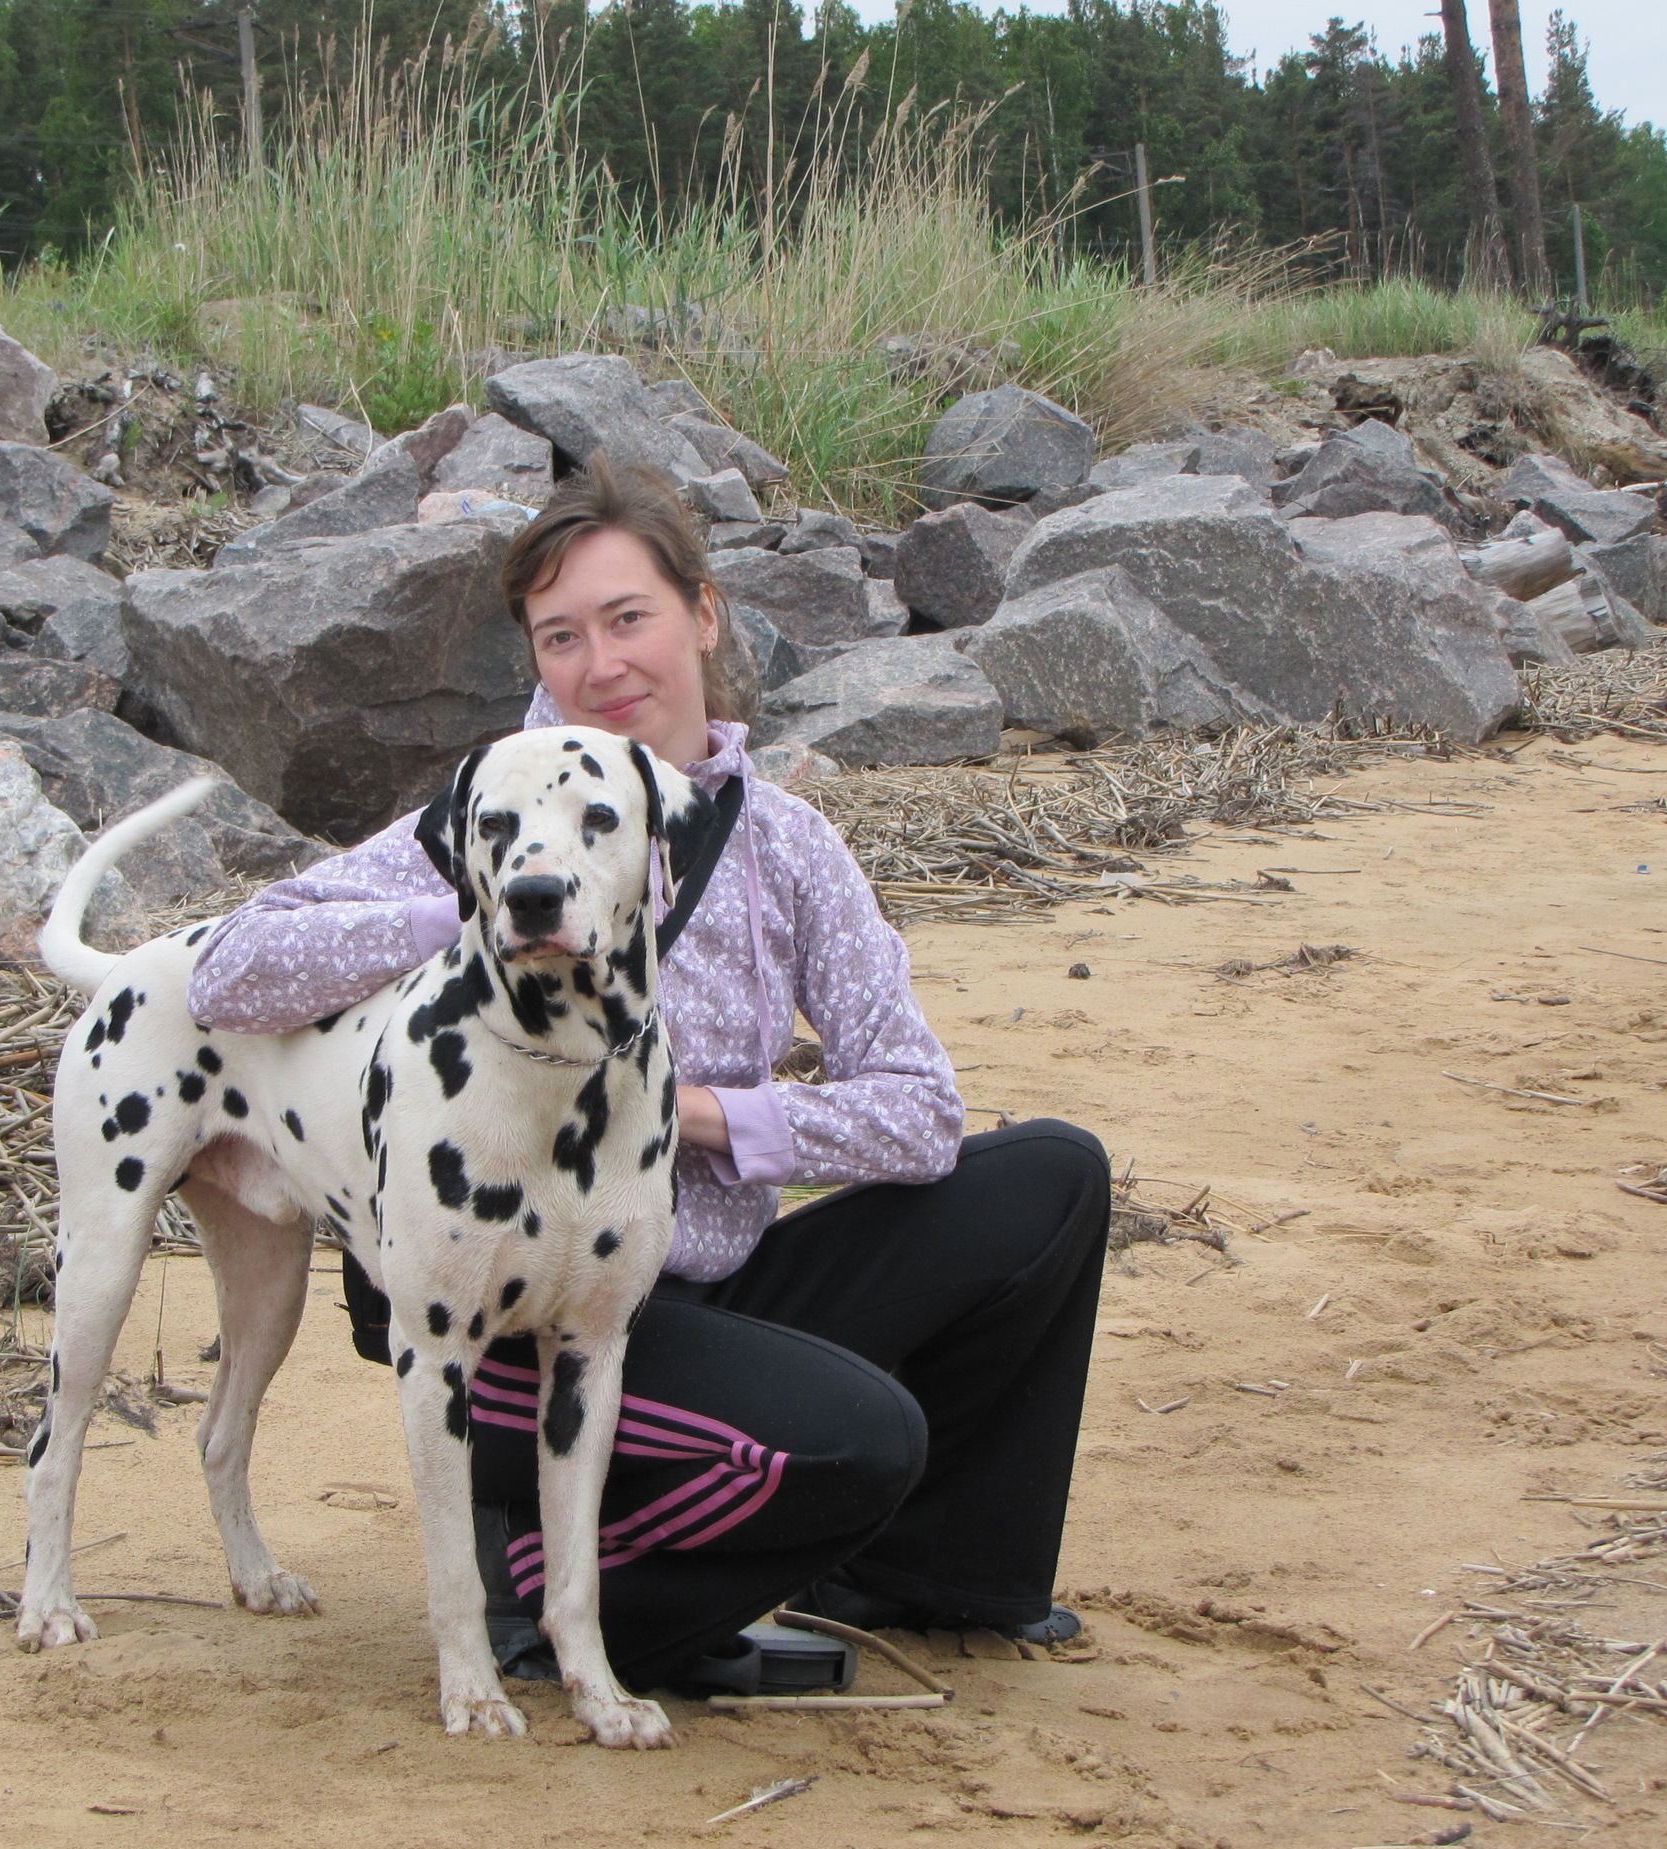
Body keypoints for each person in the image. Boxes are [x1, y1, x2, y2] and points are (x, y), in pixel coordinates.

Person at [188, 458, 1111, 1692]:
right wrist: (481, 911)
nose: (601, 665)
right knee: (858, 1440)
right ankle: (580, 1595)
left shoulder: (787, 845)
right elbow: (230, 973)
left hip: (700, 1267)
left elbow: (920, 1114)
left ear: (703, 615)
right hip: (512, 1310)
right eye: (560, 637)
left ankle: (927, 1575)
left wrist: (693, 1117)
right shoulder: (494, 812)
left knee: (1050, 1178)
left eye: (629, 618)